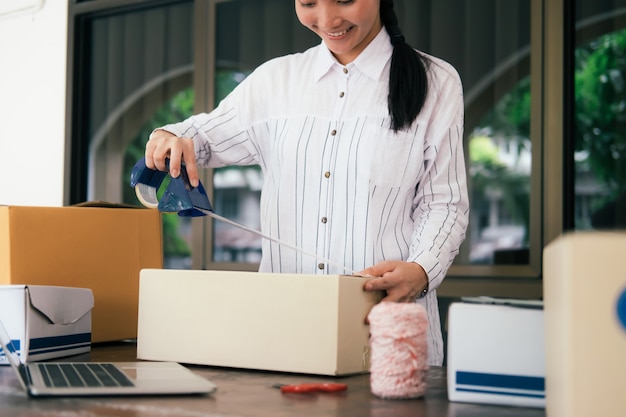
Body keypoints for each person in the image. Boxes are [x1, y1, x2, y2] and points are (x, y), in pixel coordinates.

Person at [145, 0, 469, 366]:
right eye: (309, 3)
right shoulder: (274, 81)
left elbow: (444, 202)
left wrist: (422, 270)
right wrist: (170, 135)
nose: (328, 20)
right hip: (284, 335)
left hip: (387, 333)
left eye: (344, 0)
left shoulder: (436, 81)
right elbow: (201, 136)